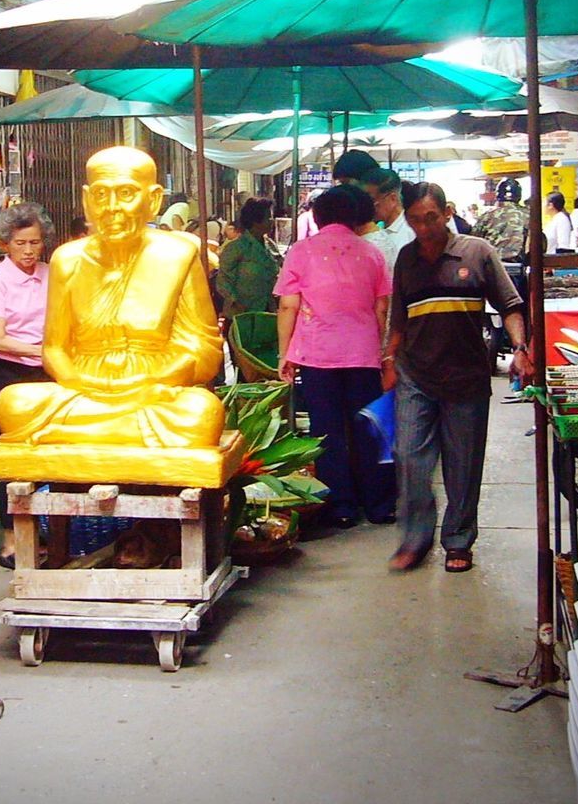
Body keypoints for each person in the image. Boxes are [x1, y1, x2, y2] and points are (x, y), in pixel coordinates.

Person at [0, 148, 223, 450]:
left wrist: (151, 380)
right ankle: (122, 432)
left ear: (152, 200)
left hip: (153, 389)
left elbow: (204, 352)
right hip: (84, 389)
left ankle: (90, 433)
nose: (112, 207)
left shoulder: (178, 256)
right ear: (87, 201)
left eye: (126, 193)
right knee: (13, 404)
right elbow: (54, 350)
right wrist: (83, 382)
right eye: (101, 195)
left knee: (200, 413)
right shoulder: (67, 260)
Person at [385, 182, 532, 574]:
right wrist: (387, 358)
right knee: (410, 458)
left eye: (430, 218)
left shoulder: (477, 252)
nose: (423, 227)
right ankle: (415, 540)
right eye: (414, 220)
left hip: (466, 376)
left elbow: (511, 305)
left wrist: (519, 349)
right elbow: (398, 317)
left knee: (463, 465)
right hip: (415, 373)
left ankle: (458, 540)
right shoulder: (406, 258)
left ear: (447, 212)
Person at [275, 184, 394, 527]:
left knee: (326, 430)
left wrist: (286, 353)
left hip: (317, 356)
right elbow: (381, 308)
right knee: (367, 428)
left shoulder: (302, 251)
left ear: (317, 217)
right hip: (363, 354)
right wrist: (383, 353)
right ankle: (379, 505)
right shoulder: (372, 254)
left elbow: (288, 305)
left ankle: (341, 506)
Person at [0, 202, 55, 568]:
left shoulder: (51, 274)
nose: (28, 251)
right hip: (8, 374)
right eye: (21, 243)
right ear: (5, 244)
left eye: (35, 243)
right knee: (10, 456)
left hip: (46, 373)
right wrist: (43, 350)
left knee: (47, 451)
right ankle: (10, 538)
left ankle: (46, 529)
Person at [217, 197, 279, 318]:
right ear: (256, 221)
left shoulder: (270, 245)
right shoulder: (236, 248)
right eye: (268, 218)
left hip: (267, 311)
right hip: (242, 315)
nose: (272, 221)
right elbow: (223, 280)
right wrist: (235, 302)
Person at [471, 181, 530, 261]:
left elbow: (474, 240)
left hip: (492, 263)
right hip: (519, 264)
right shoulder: (529, 215)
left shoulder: (488, 215)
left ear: (498, 195)